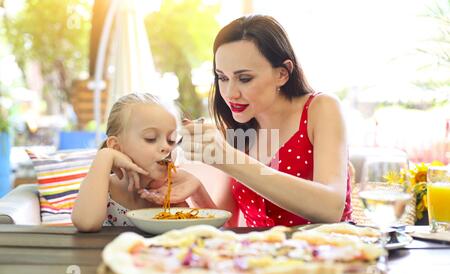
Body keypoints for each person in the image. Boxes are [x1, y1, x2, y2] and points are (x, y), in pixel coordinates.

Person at [144, 15, 353, 228]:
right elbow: (229, 226)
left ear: (282, 73)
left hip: (328, 254)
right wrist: (196, 190)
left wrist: (229, 158)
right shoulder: (239, 130)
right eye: (222, 78)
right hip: (259, 258)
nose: (230, 93)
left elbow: (330, 208)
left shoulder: (321, 108)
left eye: (244, 79)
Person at [72, 93, 213, 232]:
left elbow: (214, 232)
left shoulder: (170, 197)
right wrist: (105, 156)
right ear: (116, 147)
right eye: (150, 138)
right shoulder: (103, 187)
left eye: (171, 140)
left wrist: (198, 189)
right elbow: (87, 223)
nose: (167, 147)